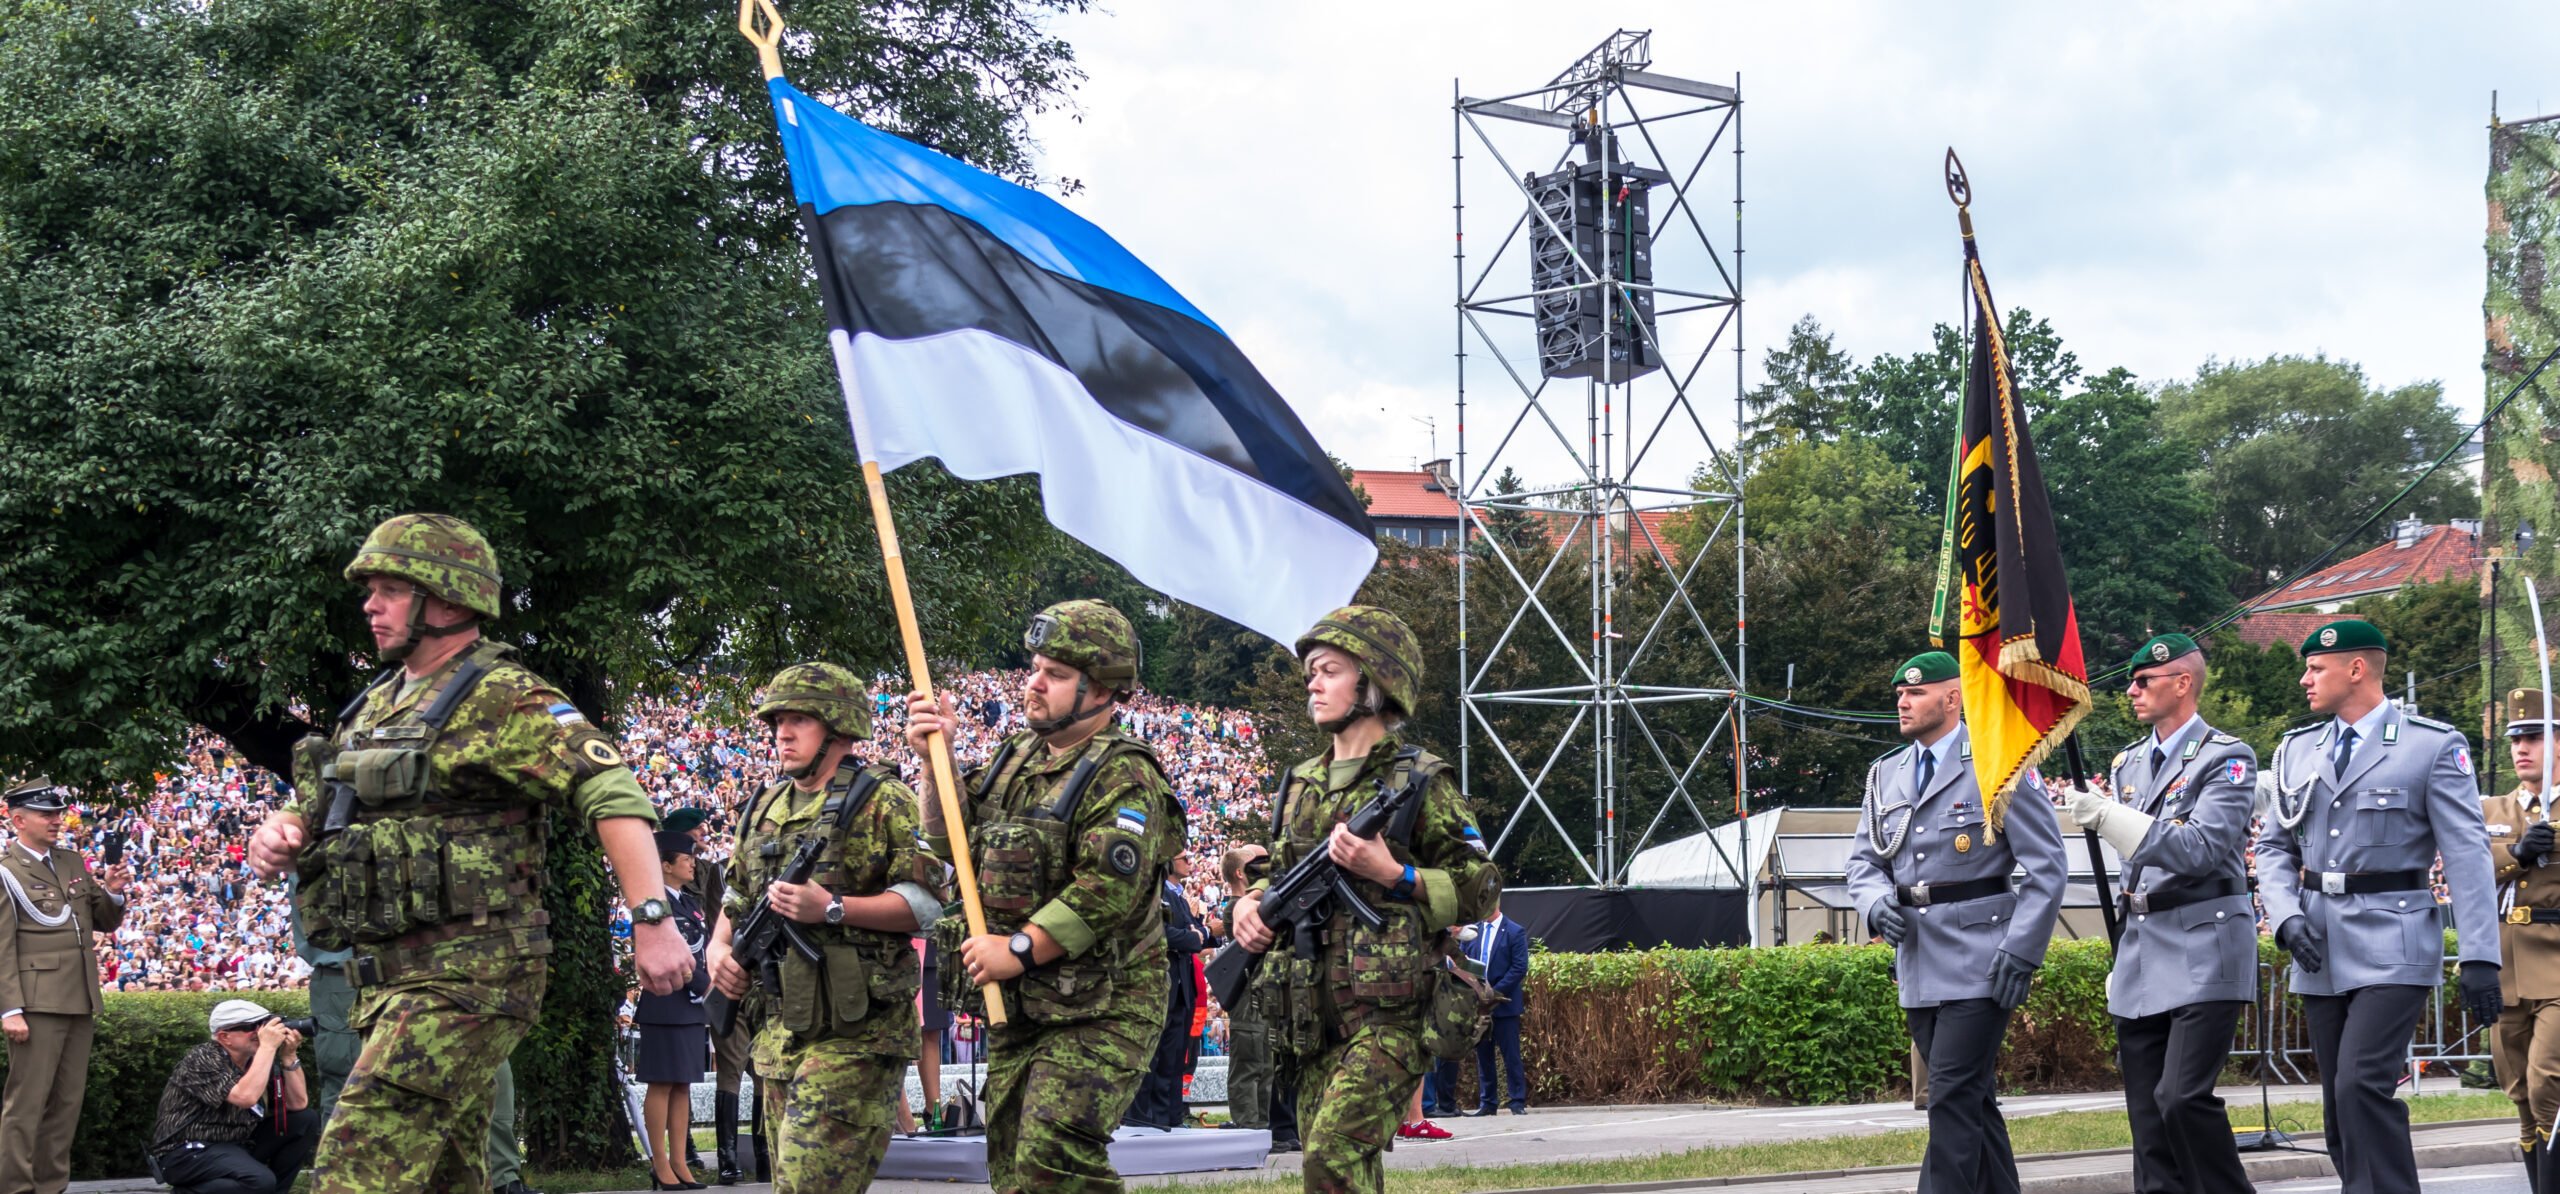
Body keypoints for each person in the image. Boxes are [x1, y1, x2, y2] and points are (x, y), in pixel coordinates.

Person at [244, 513, 694, 1194]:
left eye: (390, 589)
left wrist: (652, 918)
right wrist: (282, 827)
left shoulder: (503, 696)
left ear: (447, 599)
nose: (370, 604)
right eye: (371, 590)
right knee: (447, 1178)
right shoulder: (374, 705)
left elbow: (611, 792)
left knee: (355, 1165)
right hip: (393, 979)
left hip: (471, 974)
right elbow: (322, 799)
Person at [906, 600, 1182, 1193]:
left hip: (1104, 1005)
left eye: (1055, 675)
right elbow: (945, 835)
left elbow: (1106, 890)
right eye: (1035, 667)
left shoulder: (1125, 774)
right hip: (1026, 1007)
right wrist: (937, 760)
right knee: (1010, 1167)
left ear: (1102, 689)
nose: (1033, 683)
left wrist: (1018, 949)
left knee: (1053, 1157)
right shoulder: (1016, 758)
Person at [1230, 605, 1502, 1194]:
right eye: (1311, 673)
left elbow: (1481, 888)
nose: (1313, 683)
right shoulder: (1301, 781)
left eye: (1328, 670)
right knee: (1341, 1173)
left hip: (1389, 1017)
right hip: (1309, 1018)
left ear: (1374, 682)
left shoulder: (1420, 779)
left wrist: (1395, 873)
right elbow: (1275, 871)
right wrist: (1248, 904)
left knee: (1330, 1158)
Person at [2256, 619, 2502, 1194]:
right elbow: (2272, 845)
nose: (2304, 679)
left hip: (2394, 939)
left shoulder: (2432, 745)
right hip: (2318, 942)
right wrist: (2287, 916)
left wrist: (2479, 957)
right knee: (2339, 1111)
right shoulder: (2297, 750)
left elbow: (2466, 855)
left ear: (2357, 669)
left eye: (2316, 668)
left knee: (2361, 1085)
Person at [704, 663, 941, 1193]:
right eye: (777, 722)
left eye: (798, 721)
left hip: (859, 1031)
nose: (781, 733)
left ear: (837, 729)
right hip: (781, 1031)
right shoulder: (762, 806)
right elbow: (737, 894)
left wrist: (833, 908)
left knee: (809, 1185)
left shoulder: (884, 800)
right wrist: (717, 951)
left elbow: (927, 903)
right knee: (791, 1181)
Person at [1843, 650, 2066, 1194]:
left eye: (1915, 693)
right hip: (1918, 960)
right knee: (1972, 1099)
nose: (1902, 701)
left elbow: (2047, 866)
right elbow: (1863, 862)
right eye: (1899, 693)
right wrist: (1875, 905)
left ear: (1951, 697)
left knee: (1949, 1095)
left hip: (1982, 959)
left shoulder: (1999, 762)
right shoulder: (1886, 773)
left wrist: (2022, 949)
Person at [2060, 634, 2256, 1194]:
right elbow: (2132, 873)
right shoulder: (2130, 761)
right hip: (2143, 946)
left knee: (2181, 1098)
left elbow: (2200, 850)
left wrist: (2109, 819)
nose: (2131, 690)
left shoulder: (2227, 758)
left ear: (2182, 682)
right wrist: (2122, 950)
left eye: (2143, 680)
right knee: (2148, 1119)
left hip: (2202, 942)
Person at [1, 777, 131, 1194]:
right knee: (26, 1106)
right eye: (46, 813)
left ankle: (50, 1187)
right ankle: (15, 1188)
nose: (57, 820)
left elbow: (104, 922)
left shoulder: (72, 861)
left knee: (66, 1106)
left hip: (79, 997)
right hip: (36, 1001)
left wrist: (112, 891)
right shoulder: (7, 871)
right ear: (17, 819)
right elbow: (2, 947)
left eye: (58, 813)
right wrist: (9, 1008)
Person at [2488, 687, 2560, 1194]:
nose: (2521, 748)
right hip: (2503, 967)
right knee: (2517, 1093)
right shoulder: (2491, 807)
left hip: (2557, 966)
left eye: (2534, 736)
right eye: (2516, 738)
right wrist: (2516, 850)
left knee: (2545, 1085)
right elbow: (2469, 866)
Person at [148, 1000, 320, 1194]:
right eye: (253, 1027)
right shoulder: (202, 1058)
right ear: (224, 1036)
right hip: (185, 1152)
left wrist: (289, 1056)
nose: (262, 1033)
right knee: (259, 1180)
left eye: (265, 1024)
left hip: (235, 1145)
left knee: (305, 1120)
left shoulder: (256, 1060)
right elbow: (245, 1097)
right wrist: (267, 1049)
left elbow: (298, 1104)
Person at [665, 806, 750, 1184]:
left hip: (723, 970)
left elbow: (720, 917)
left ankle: (749, 1154)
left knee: (741, 1064)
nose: (702, 836)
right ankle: (697, 1152)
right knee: (681, 1071)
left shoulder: (712, 871)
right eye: (694, 832)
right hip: (698, 976)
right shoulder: (677, 877)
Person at [637, 830, 711, 1190]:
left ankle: (680, 1162)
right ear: (665, 865)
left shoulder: (688, 902)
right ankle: (660, 1163)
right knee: (662, 1084)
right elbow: (669, 955)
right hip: (665, 1001)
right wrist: (705, 985)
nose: (693, 863)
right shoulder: (654, 905)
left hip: (691, 1004)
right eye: (686, 859)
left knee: (683, 1085)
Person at [1130, 850, 1211, 1129]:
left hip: (1180, 988)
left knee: (1174, 1059)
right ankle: (1146, 1120)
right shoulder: (1151, 892)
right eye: (1183, 857)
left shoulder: (1175, 895)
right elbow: (1163, 934)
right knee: (1152, 1060)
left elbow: (1197, 932)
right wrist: (1192, 936)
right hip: (1157, 988)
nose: (1189, 862)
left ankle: (1170, 1118)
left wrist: (1192, 935)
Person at [1464, 899, 1529, 1116]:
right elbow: (1464, 963)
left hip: (1504, 1005)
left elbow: (1519, 967)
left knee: (1511, 1055)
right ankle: (1488, 1102)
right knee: (1484, 1055)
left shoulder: (1514, 931)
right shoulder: (1474, 932)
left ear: (1495, 905)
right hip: (1479, 1005)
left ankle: (1517, 1101)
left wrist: (1495, 992)